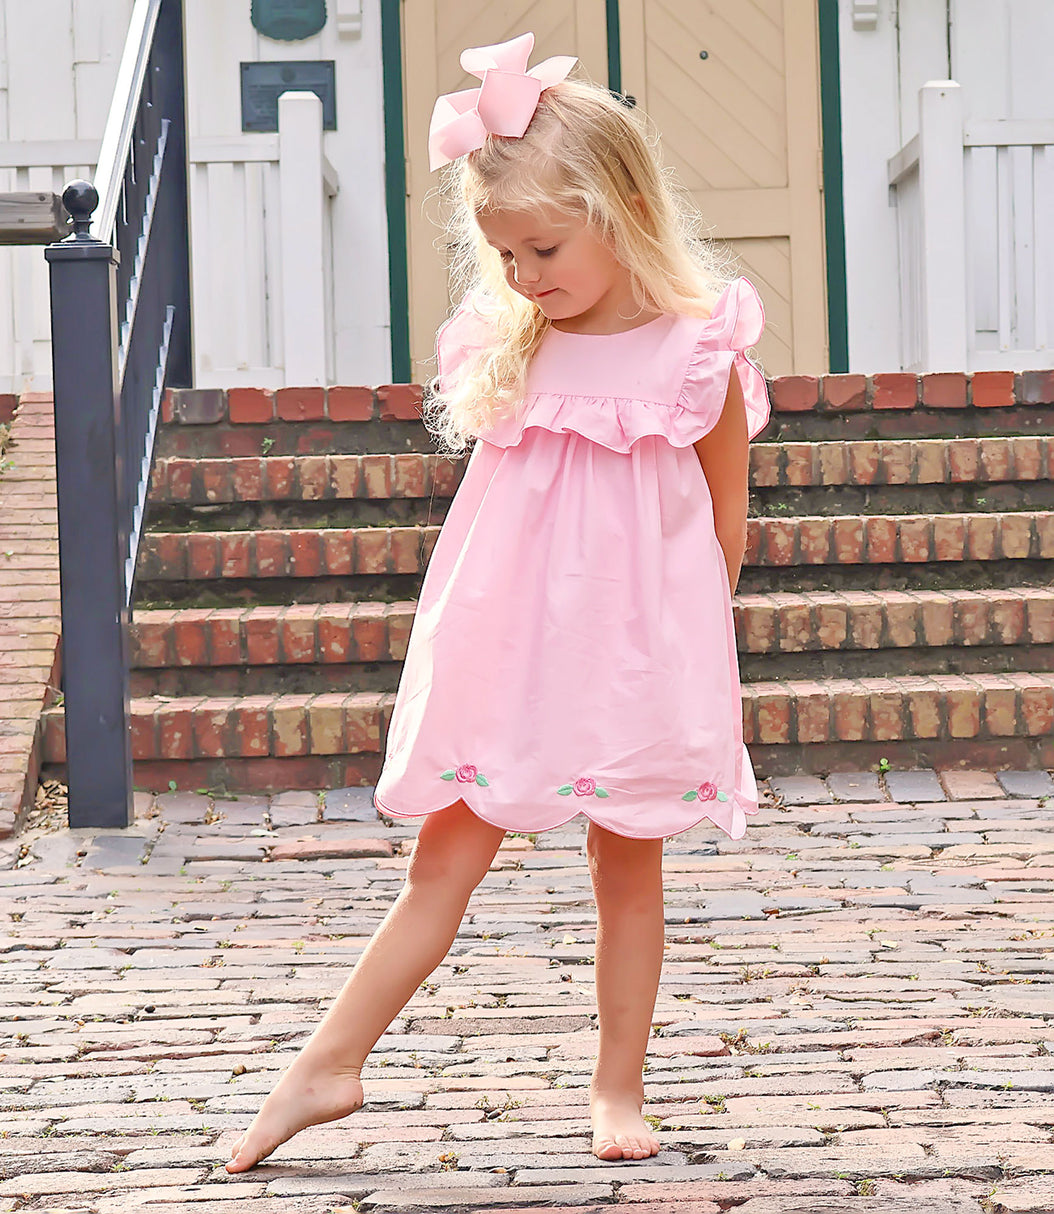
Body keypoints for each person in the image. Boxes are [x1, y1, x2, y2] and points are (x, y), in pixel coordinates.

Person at [226, 31, 769, 1174]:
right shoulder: (507, 350)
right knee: (443, 858)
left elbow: (720, 527)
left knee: (627, 867)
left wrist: (692, 657)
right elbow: (493, 535)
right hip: (511, 652)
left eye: (541, 247)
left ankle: (614, 1084)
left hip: (631, 659)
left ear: (619, 209)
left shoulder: (695, 354)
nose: (522, 275)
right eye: (502, 252)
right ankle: (325, 1063)